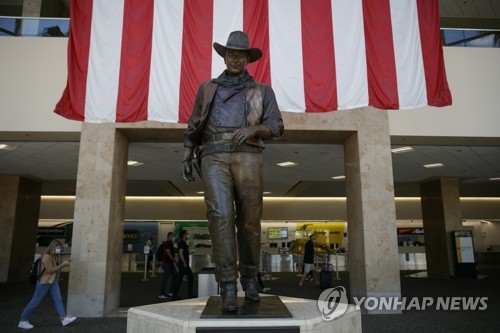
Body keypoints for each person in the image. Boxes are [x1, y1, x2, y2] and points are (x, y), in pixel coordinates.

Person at [181, 30, 284, 312]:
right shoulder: (208, 88)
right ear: (224, 56)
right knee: (221, 216)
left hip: (249, 154)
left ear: (248, 59)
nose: (235, 59)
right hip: (213, 155)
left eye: (240, 55)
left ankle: (249, 277)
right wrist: (187, 154)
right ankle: (227, 285)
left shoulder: (262, 91)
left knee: (250, 221)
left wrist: (254, 128)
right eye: (230, 54)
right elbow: (193, 123)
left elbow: (277, 126)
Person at [18, 239, 77, 330]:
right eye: (58, 248)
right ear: (53, 247)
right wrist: (62, 265)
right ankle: (23, 320)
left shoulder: (55, 256)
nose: (60, 249)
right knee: (35, 301)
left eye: (61, 248)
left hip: (53, 281)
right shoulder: (47, 256)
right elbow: (49, 270)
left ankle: (63, 318)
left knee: (58, 299)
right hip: (44, 282)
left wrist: (60, 259)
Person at [158, 232, 179, 300]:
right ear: (169, 236)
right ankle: (161, 293)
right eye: (173, 236)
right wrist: (173, 260)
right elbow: (168, 252)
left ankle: (171, 291)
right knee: (165, 278)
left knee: (175, 275)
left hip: (169, 263)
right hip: (167, 263)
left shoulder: (170, 243)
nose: (174, 237)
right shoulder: (167, 243)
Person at [176, 230, 195, 298]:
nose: (188, 235)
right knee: (179, 280)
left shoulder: (184, 243)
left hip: (185, 264)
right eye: (187, 234)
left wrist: (189, 253)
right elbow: (180, 253)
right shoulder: (182, 243)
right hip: (183, 264)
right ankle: (175, 296)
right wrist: (184, 262)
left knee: (191, 277)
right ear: (184, 235)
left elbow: (183, 253)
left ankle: (190, 294)